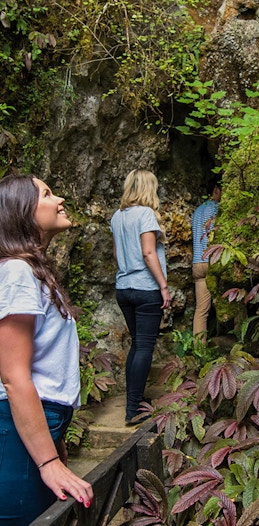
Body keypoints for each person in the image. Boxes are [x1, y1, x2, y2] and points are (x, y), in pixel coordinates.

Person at [0, 173, 94, 526]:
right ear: (22, 212)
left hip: (33, 429)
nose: (59, 200)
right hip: (14, 432)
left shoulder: (30, 271)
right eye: (47, 194)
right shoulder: (17, 273)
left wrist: (53, 449)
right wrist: (47, 462)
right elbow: (12, 375)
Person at [110, 169, 171, 425]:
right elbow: (148, 253)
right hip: (146, 288)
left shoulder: (117, 216)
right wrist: (164, 287)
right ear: (149, 188)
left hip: (124, 288)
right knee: (145, 346)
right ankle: (133, 408)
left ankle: (134, 399)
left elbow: (116, 254)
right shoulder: (145, 214)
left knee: (137, 344)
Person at [191, 178, 222, 342]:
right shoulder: (216, 209)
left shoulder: (197, 211)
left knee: (201, 310)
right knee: (228, 305)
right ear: (216, 190)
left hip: (197, 263)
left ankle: (199, 351)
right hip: (212, 262)